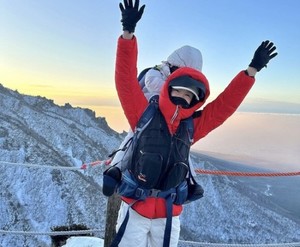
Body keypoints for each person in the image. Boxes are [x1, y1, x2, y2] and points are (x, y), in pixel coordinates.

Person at [106, 0, 278, 246]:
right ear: (169, 87)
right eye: (180, 91)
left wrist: (251, 71)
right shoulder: (143, 114)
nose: (183, 99)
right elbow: (124, 80)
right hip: (135, 208)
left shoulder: (192, 126)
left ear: (197, 100)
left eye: (190, 96)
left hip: (168, 213)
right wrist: (127, 34)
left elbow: (224, 107)